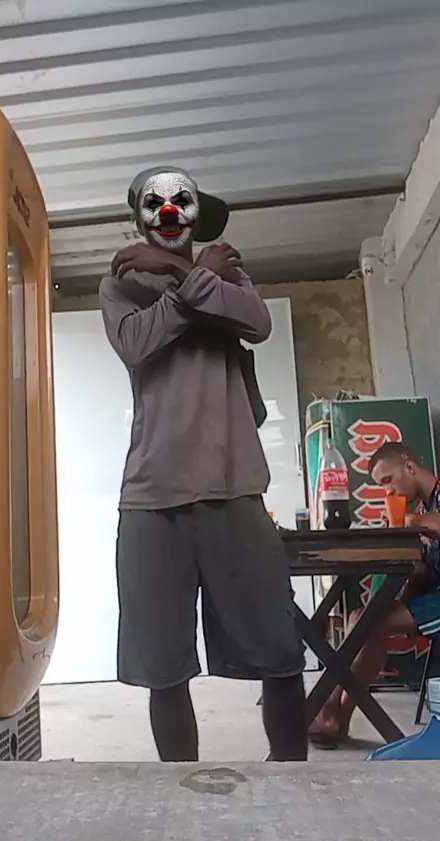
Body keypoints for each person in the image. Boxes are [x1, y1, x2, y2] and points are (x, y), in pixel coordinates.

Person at [99, 166, 307, 762]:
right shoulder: (120, 287)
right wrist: (190, 280)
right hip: (151, 499)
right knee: (163, 666)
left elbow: (257, 323)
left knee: (279, 652)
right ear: (140, 217)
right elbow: (137, 343)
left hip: (235, 489)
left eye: (181, 202)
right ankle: (181, 793)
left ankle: (295, 781)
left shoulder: (229, 275)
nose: (169, 214)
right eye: (155, 204)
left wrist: (181, 273)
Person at [309, 440, 440, 748]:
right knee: (363, 617)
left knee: (372, 622)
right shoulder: (424, 508)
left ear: (409, 466)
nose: (388, 492)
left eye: (388, 480)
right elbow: (422, 573)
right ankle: (336, 712)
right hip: (432, 598)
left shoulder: (426, 509)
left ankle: (331, 708)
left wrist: (409, 522)